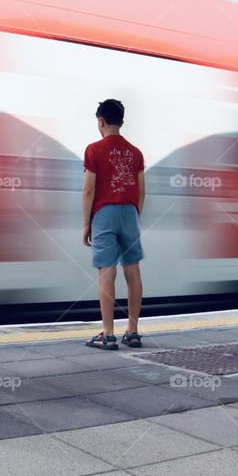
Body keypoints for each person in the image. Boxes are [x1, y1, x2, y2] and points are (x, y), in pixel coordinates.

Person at [82, 99, 145, 350]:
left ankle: (108, 334)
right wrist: (134, 215)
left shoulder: (94, 150)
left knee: (107, 272)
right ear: (122, 121)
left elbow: (88, 190)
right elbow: (142, 191)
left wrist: (86, 224)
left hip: (104, 214)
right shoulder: (136, 152)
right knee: (133, 270)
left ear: (101, 121)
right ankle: (132, 330)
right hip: (130, 212)